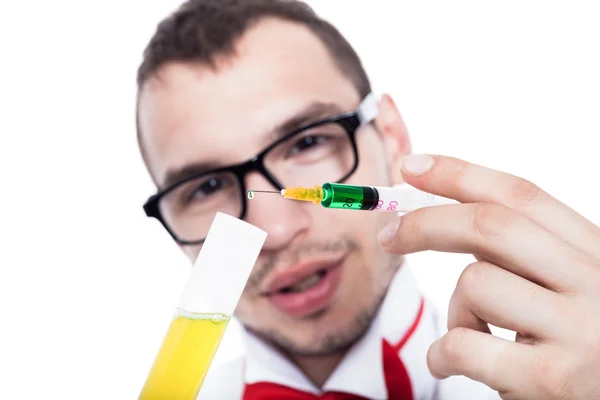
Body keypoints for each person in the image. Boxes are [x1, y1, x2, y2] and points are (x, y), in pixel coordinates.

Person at [135, 1, 600, 399]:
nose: (275, 229)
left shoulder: (575, 376)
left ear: (392, 137)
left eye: (305, 143)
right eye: (207, 187)